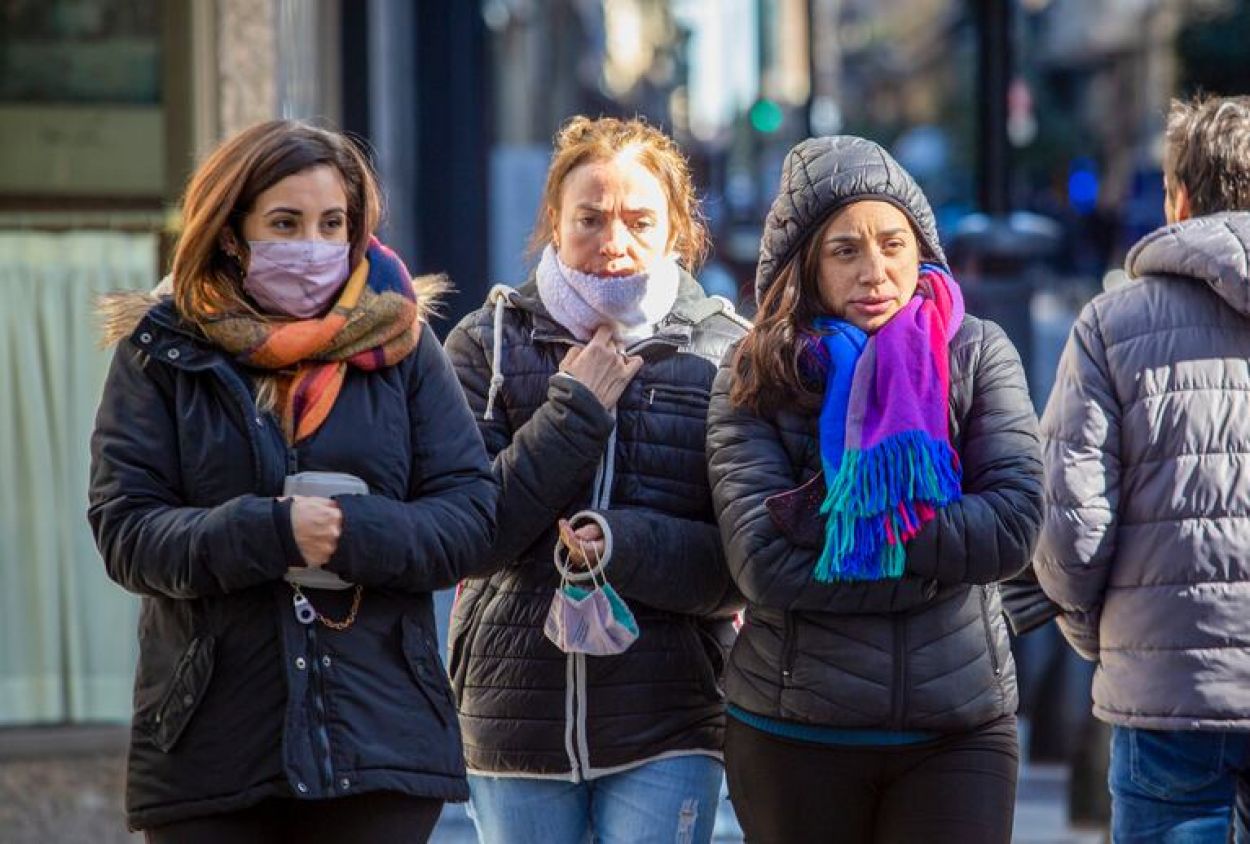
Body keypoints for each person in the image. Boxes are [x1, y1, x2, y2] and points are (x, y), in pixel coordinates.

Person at [87, 120, 497, 842]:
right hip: (211, 748)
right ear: (231, 232)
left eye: (332, 223)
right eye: (285, 223)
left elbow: (468, 518)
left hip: (378, 742)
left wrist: (350, 532)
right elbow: (127, 530)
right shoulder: (161, 351)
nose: (313, 244)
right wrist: (271, 532)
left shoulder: (402, 344)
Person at [707, 135, 1043, 843]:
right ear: (805, 266)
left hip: (959, 731)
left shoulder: (977, 352)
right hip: (795, 731)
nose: (875, 271)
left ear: (921, 249)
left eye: (893, 244)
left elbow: (1013, 527)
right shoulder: (756, 370)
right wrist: (937, 563)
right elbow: (763, 563)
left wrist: (843, 520)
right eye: (845, 251)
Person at [443, 115, 748, 843]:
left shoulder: (727, 353)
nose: (614, 243)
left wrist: (622, 544)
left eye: (639, 221)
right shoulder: (486, 344)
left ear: (676, 230)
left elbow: (741, 565)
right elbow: (465, 538)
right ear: (554, 220)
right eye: (590, 219)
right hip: (514, 716)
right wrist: (573, 413)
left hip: (670, 718)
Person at [1035, 94, 1250, 842]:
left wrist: (1116, 640)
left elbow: (1070, 536)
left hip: (1167, 693)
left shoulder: (1112, 324)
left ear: (1178, 199)